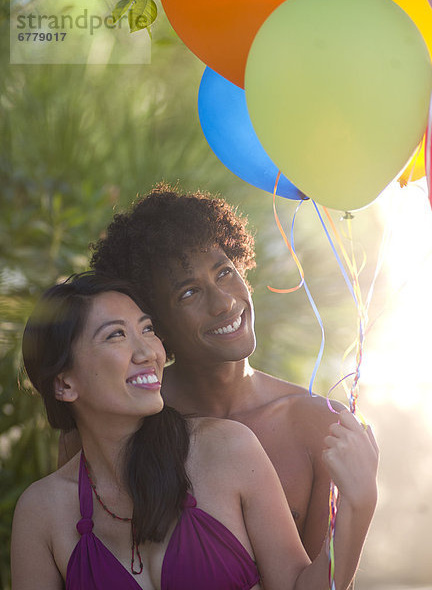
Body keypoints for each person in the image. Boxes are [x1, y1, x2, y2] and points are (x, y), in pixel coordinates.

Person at [12, 272, 378, 590]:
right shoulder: (42, 510)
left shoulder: (227, 449)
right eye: (116, 336)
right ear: (64, 384)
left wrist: (359, 505)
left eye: (147, 329)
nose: (148, 352)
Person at [61, 184, 368, 558]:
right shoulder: (114, 423)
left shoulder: (320, 426)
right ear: (154, 321)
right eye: (188, 293)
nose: (224, 303)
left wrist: (361, 502)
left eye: (224, 272)